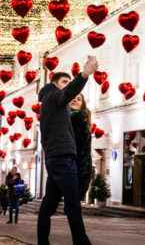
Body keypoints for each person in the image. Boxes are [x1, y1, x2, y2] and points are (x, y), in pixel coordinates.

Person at [37, 56, 98, 245]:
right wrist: (85, 74)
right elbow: (69, 92)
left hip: (57, 158)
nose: (67, 85)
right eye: (64, 82)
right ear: (55, 85)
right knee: (72, 205)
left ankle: (42, 242)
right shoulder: (54, 96)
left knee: (48, 205)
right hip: (63, 158)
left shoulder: (53, 104)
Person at [70, 94, 93, 202]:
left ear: (82, 104)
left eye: (79, 99)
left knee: (73, 205)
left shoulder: (79, 119)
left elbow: (82, 148)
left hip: (78, 168)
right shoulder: (65, 117)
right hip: (69, 166)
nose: (75, 100)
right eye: (73, 98)